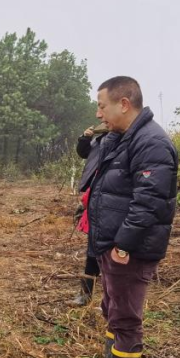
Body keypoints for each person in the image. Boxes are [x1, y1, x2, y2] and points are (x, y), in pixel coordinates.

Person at [73, 77, 178, 358]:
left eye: (102, 105)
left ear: (124, 104)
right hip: (110, 242)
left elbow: (149, 202)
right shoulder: (120, 139)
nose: (98, 112)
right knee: (112, 308)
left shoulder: (152, 144)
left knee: (127, 318)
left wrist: (123, 244)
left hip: (128, 248)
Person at [71, 121, 110, 306]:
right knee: (93, 250)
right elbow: (83, 153)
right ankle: (86, 295)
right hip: (96, 200)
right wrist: (85, 138)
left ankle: (113, 299)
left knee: (111, 253)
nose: (99, 117)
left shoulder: (125, 142)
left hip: (112, 206)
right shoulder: (99, 140)